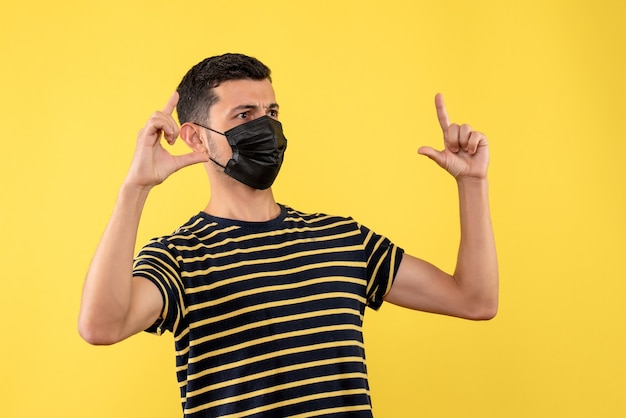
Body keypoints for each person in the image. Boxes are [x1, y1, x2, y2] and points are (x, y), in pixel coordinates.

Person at [78, 53, 498, 417]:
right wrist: (135, 188)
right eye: (244, 115)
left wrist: (473, 184)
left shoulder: (343, 239)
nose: (267, 128)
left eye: (272, 113)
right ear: (195, 137)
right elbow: (102, 326)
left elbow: (474, 299)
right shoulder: (181, 257)